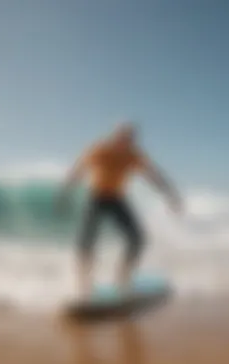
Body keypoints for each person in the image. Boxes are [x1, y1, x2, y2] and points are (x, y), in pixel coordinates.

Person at [56, 122, 182, 298]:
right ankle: (83, 285)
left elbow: (153, 175)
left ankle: (123, 279)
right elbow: (79, 169)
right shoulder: (100, 149)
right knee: (86, 241)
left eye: (130, 139)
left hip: (117, 199)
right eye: (122, 138)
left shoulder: (133, 155)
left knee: (137, 238)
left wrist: (170, 193)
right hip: (97, 198)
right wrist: (65, 193)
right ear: (115, 137)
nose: (125, 142)